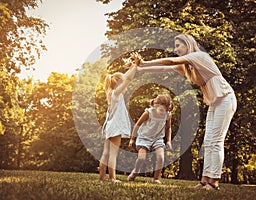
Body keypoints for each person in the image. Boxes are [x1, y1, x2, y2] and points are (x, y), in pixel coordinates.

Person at [132, 33, 237, 190]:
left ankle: (214, 182)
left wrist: (145, 61)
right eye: (175, 46)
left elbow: (171, 60)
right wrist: (139, 68)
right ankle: (204, 181)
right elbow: (164, 68)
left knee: (216, 141)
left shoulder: (198, 56)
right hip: (216, 101)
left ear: (188, 45)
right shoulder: (187, 66)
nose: (176, 49)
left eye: (178, 45)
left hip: (226, 98)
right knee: (208, 141)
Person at [99, 62, 137, 183]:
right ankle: (112, 178)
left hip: (109, 127)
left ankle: (102, 178)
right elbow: (127, 79)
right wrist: (135, 66)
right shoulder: (116, 94)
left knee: (105, 153)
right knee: (113, 154)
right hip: (115, 127)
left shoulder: (111, 94)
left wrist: (131, 68)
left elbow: (124, 78)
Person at [127, 94, 174, 184]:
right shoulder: (148, 113)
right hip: (144, 138)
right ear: (155, 106)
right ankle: (135, 171)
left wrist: (168, 141)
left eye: (166, 110)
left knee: (160, 157)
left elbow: (168, 128)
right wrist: (132, 139)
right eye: (161, 110)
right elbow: (137, 125)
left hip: (157, 139)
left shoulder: (168, 115)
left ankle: (156, 178)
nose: (163, 113)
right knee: (141, 159)